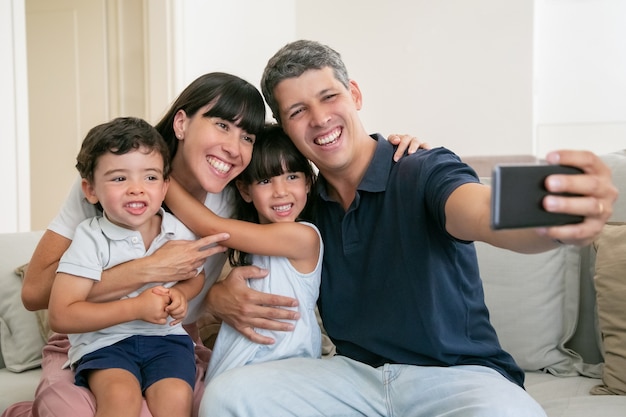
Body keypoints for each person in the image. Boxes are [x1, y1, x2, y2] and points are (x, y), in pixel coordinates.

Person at [200, 40, 619, 417]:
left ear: (356, 95)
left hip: (455, 377)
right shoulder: (299, 203)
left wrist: (557, 223)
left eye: (330, 97)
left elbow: (482, 210)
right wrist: (217, 297)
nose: (320, 118)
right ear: (286, 128)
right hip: (350, 378)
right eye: (298, 111)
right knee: (228, 396)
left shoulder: (423, 169)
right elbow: (233, 242)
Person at [4, 69, 420, 417]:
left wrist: (389, 151)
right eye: (221, 125)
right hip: (92, 338)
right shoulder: (116, 181)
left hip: (169, 340)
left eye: (247, 136)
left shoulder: (238, 194)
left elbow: (302, 168)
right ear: (182, 123)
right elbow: (37, 293)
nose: (234, 148)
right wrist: (146, 270)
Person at [48, 116, 204, 417]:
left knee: (176, 398)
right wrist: (137, 308)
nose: (136, 189)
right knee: (120, 398)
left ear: (165, 186)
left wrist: (182, 294)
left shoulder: (177, 230)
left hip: (166, 340)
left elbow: (197, 276)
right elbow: (61, 314)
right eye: (120, 178)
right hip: (105, 343)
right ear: (90, 190)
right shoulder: (90, 238)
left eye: (150, 177)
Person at [164, 124, 322, 385]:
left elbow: (212, 227)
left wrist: (162, 178)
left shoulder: (304, 237)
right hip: (236, 369)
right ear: (245, 190)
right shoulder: (249, 245)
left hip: (287, 369)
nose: (281, 191)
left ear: (308, 183)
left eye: (292, 176)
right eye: (265, 180)